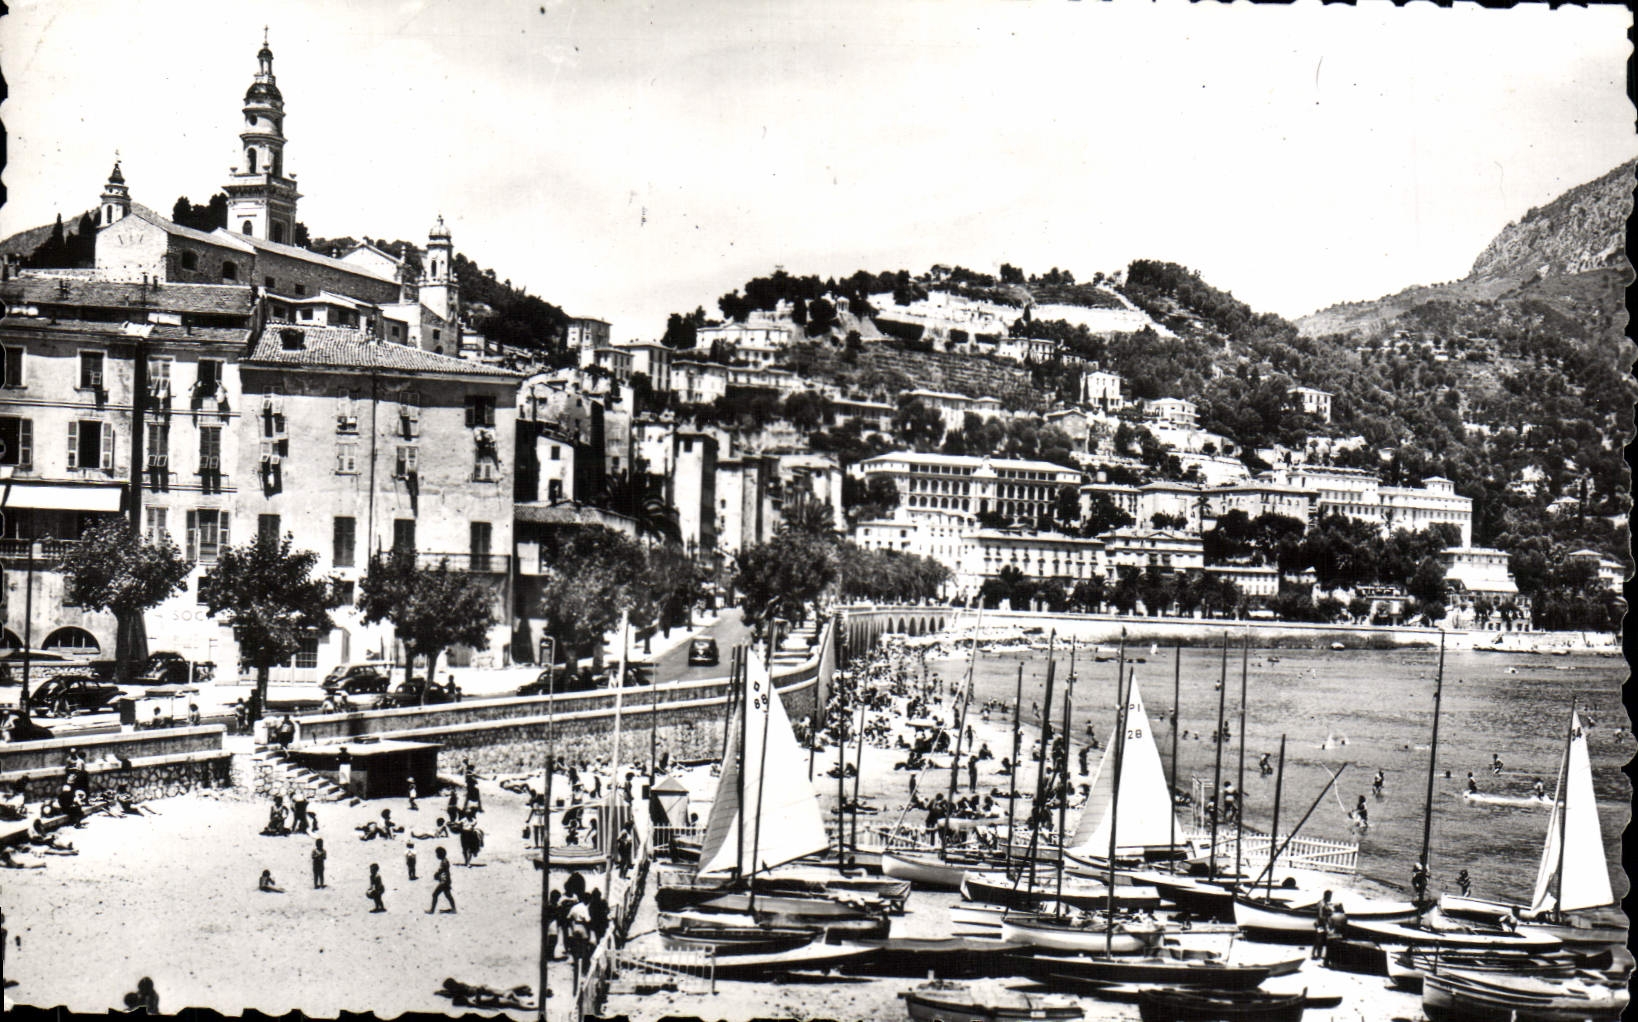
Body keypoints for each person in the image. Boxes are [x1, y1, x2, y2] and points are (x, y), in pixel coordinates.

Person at [428, 846, 456, 913]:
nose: (436, 856)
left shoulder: (444, 862)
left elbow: (441, 871)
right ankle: (453, 909)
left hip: (444, 881)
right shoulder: (445, 861)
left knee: (435, 894)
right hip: (446, 881)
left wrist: (436, 874)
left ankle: (432, 910)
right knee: (448, 895)